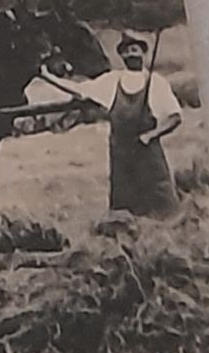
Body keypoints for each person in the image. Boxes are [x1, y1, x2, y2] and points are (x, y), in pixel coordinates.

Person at [39, 32, 184, 217]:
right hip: (121, 154)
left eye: (135, 50)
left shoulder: (156, 82)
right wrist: (46, 77)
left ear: (143, 53)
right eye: (127, 51)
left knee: (164, 209)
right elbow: (80, 91)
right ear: (121, 56)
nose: (131, 54)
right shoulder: (113, 80)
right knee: (123, 212)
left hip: (148, 154)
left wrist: (151, 135)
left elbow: (175, 117)